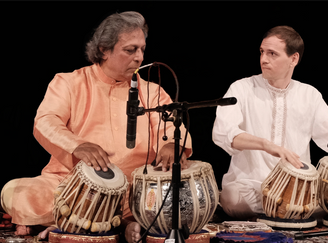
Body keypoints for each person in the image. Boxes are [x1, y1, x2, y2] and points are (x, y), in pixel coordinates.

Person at [0, 11, 192, 243]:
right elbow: (46, 120)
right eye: (130, 50)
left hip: (136, 191)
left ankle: (89, 223)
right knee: (19, 192)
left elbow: (172, 124)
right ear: (104, 49)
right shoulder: (69, 83)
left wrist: (173, 144)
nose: (139, 57)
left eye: (142, 49)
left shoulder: (152, 91)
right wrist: (78, 145)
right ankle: (123, 224)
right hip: (72, 187)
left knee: (184, 198)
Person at [212, 25, 328, 219]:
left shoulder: (309, 95)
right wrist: (266, 145)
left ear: (293, 59)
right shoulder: (242, 88)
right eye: (262, 52)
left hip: (296, 189)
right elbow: (223, 132)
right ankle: (288, 215)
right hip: (251, 187)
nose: (263, 59)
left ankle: (290, 211)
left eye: (272, 54)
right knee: (232, 199)